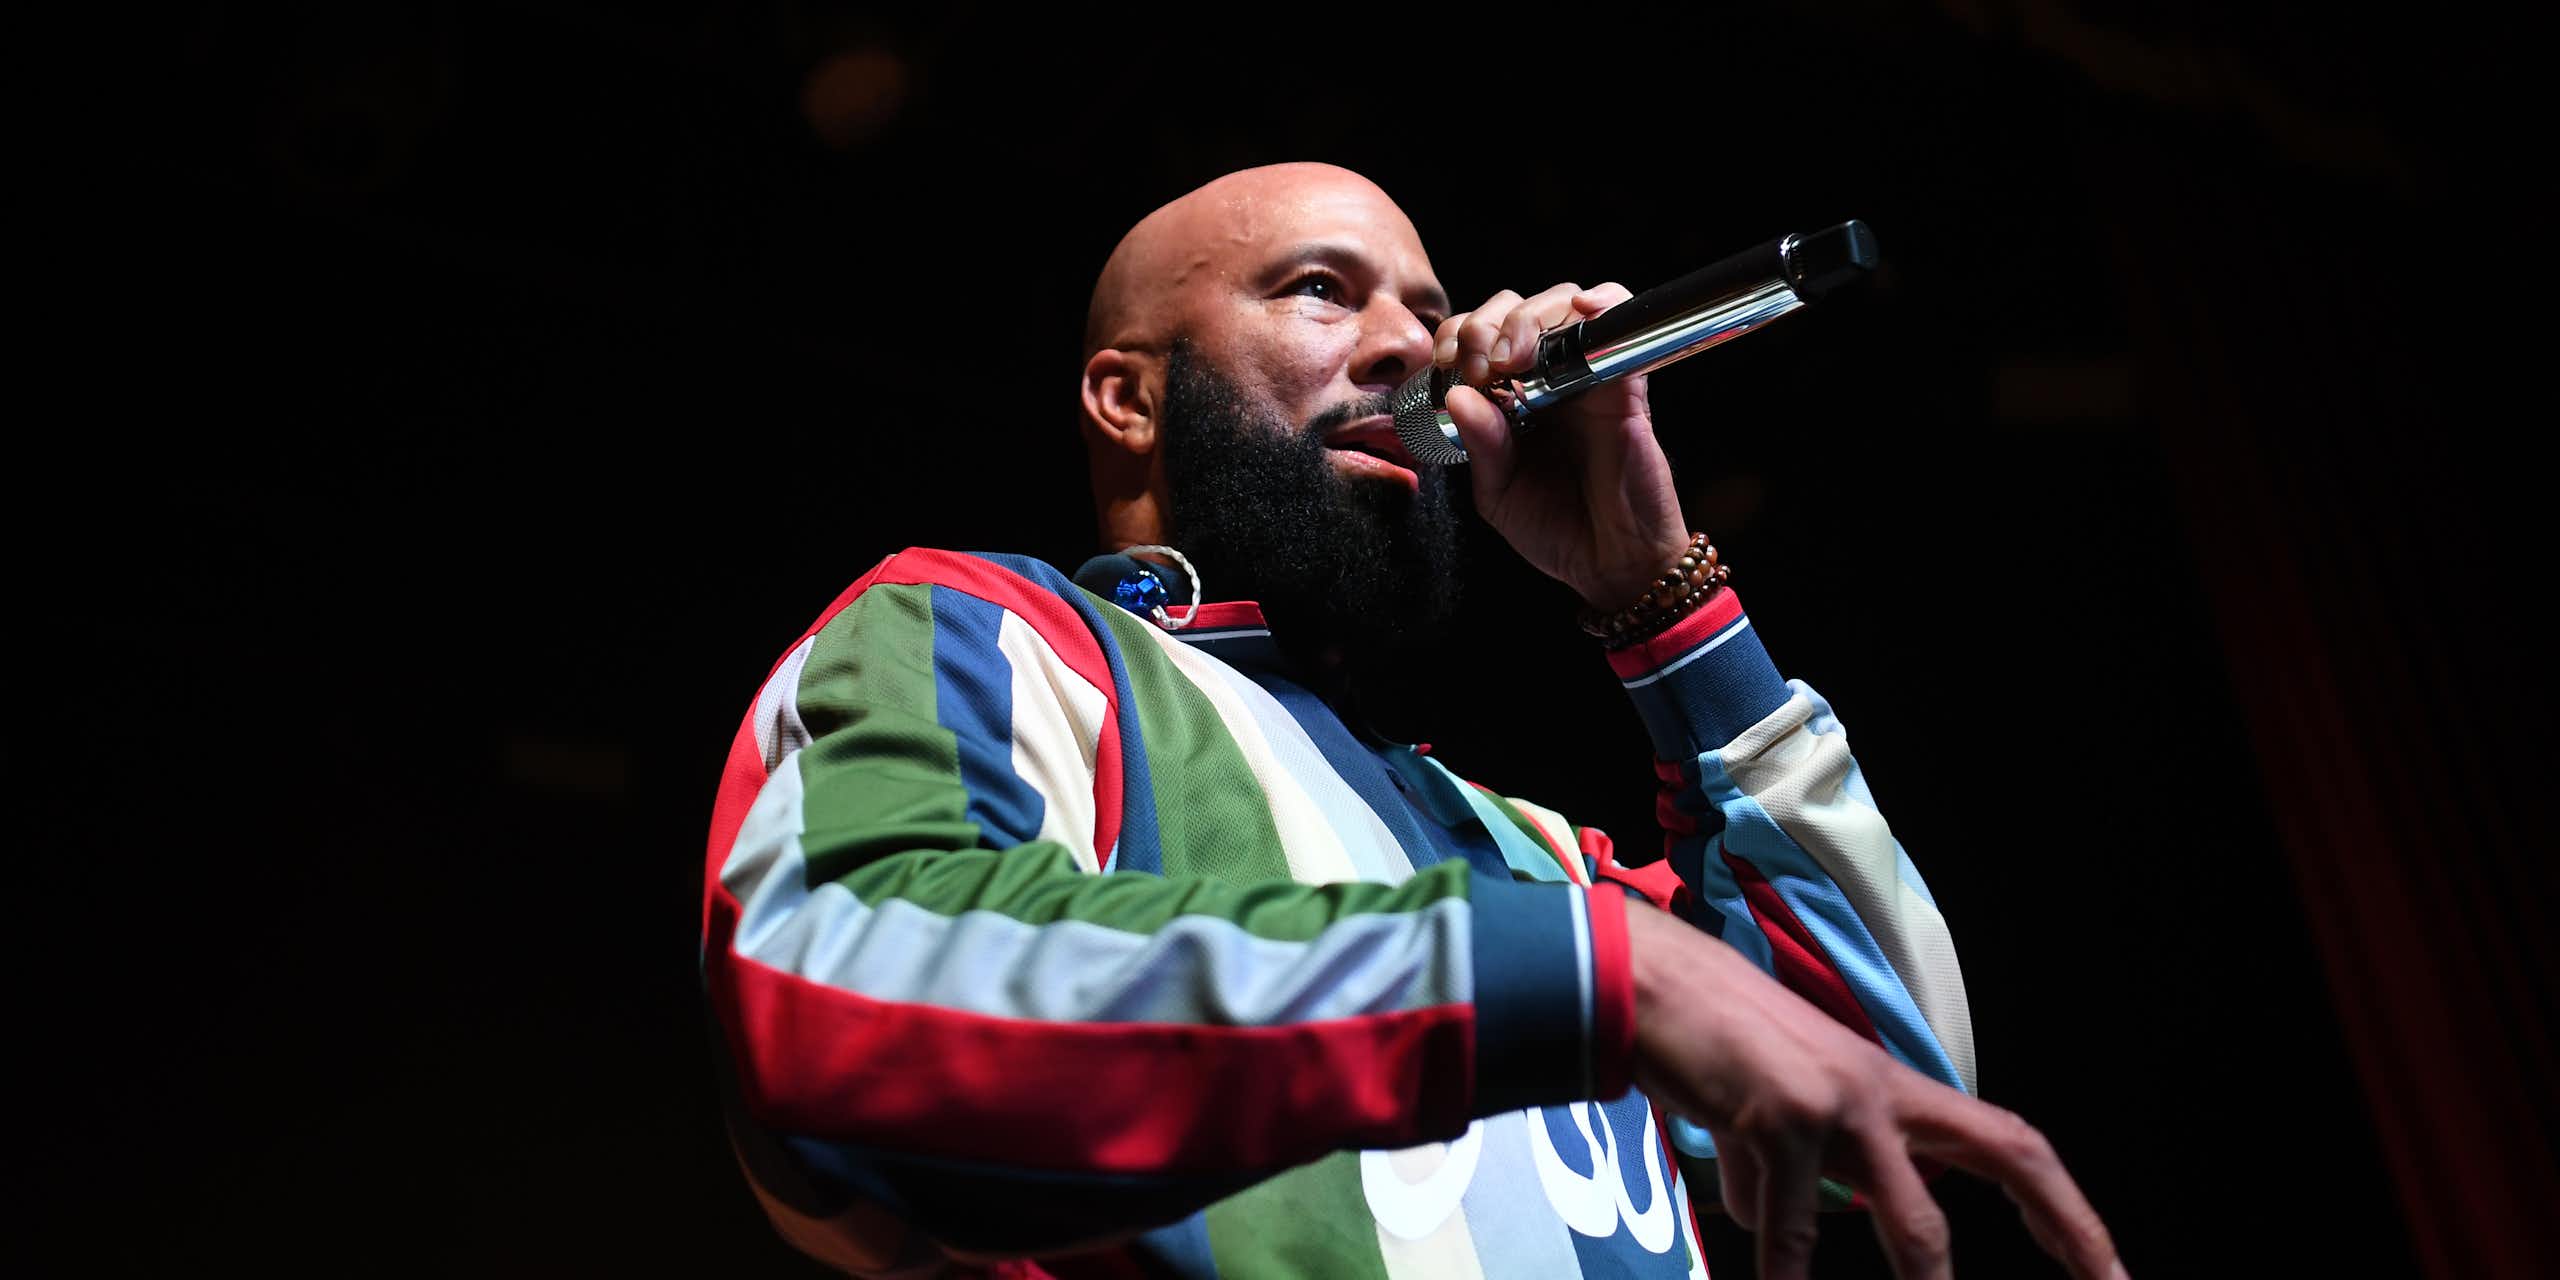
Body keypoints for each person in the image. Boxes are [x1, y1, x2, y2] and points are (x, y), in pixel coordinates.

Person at [698, 162, 2124, 1279]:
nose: (1411, 349)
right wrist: (1587, 977)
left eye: (1427, 314)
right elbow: (844, 1004)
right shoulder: (986, 635)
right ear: (1128, 398)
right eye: (1323, 292)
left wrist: (1657, 600)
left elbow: (1886, 1090)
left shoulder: (1524, 857)